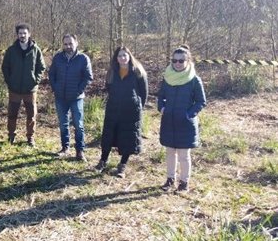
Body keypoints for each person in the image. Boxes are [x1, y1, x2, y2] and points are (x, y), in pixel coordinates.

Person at [158, 45, 206, 192]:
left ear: (188, 61)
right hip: (169, 121)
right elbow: (160, 97)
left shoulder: (194, 80)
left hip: (185, 123)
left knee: (184, 155)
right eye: (175, 60)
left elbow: (201, 101)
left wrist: (188, 114)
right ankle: (170, 179)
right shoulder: (167, 78)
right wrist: (162, 108)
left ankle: (184, 182)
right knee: (170, 152)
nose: (177, 63)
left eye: (181, 60)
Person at [95, 47, 148, 178]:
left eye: (125, 55)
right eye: (120, 56)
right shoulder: (112, 72)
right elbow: (108, 87)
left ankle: (122, 165)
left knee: (128, 138)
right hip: (113, 109)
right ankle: (103, 161)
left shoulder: (138, 71)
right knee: (108, 135)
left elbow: (144, 92)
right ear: (116, 58)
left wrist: (139, 106)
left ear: (129, 56)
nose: (122, 58)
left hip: (131, 111)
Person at [49, 34, 93, 161]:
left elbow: (88, 77)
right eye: (65, 44)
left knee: (78, 125)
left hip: (76, 98)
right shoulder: (58, 58)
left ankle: (80, 151)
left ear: (76, 43)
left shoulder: (83, 59)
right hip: (60, 97)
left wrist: (78, 91)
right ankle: (65, 148)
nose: (68, 46)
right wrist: (55, 88)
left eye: (70, 43)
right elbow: (52, 74)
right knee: (63, 124)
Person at [1, 24, 46, 146]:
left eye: (24, 33)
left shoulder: (36, 50)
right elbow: (5, 67)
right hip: (14, 89)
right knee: (12, 114)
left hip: (30, 89)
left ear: (29, 34)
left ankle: (30, 137)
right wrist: (10, 81)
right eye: (20, 33)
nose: (22, 35)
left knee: (31, 115)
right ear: (17, 35)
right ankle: (11, 136)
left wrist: (35, 80)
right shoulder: (11, 50)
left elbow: (42, 67)